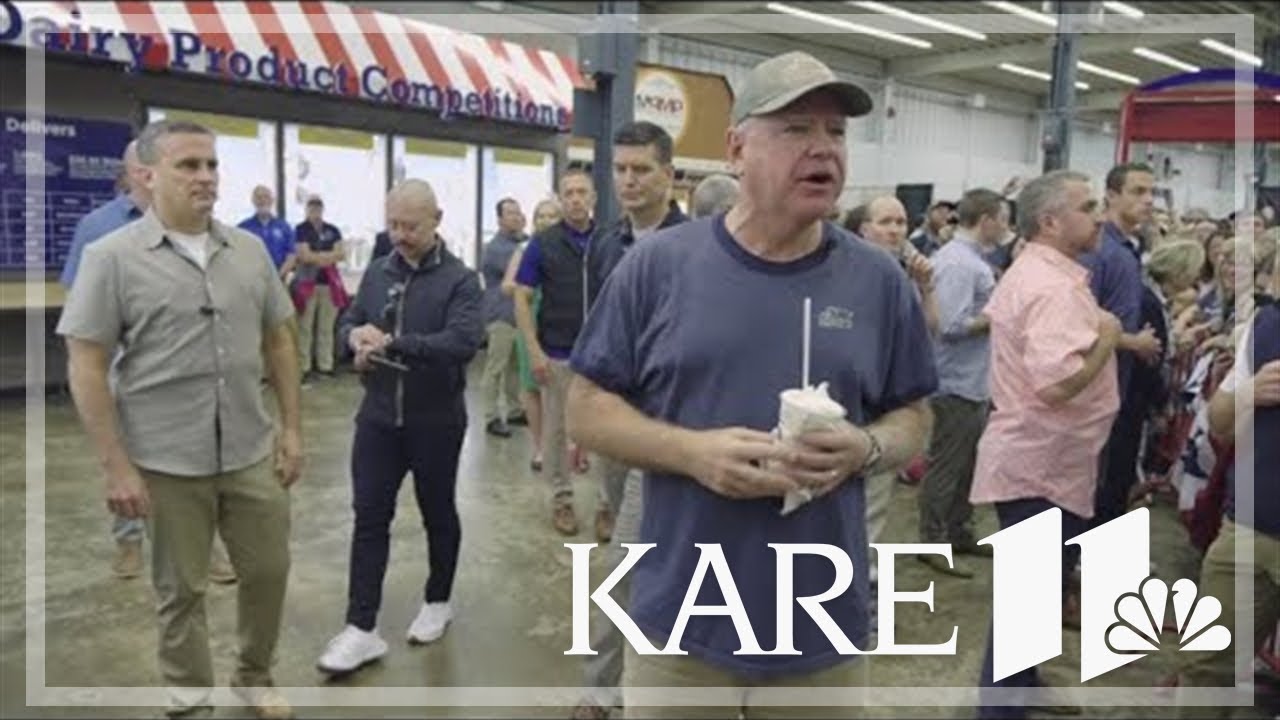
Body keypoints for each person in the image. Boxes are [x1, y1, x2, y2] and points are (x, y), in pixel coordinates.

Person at [566, 51, 937, 718]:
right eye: (797, 129)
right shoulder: (658, 268)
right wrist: (692, 453)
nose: (824, 148)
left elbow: (913, 413)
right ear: (737, 149)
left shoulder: (879, 282)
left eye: (836, 132)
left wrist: (868, 449)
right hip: (681, 621)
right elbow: (586, 411)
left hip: (821, 625)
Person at [57, 119, 301, 720]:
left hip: (249, 447)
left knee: (268, 572)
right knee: (181, 592)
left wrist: (291, 428)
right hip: (166, 460)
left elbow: (280, 341)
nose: (206, 178)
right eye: (188, 166)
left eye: (212, 165)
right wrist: (116, 468)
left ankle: (253, 674)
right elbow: (85, 366)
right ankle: (191, 696)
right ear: (147, 174)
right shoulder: (109, 258)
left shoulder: (247, 251)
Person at [970, 170, 1122, 719]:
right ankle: (1002, 710)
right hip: (1039, 463)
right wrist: (1108, 338)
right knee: (1025, 604)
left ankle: (1023, 691)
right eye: (1087, 206)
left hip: (1048, 462)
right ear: (1050, 221)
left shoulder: (1045, 275)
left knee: (1034, 596)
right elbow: (1057, 385)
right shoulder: (1050, 285)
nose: (1099, 215)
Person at [315, 179, 483, 675]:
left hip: (437, 420)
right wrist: (354, 339)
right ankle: (361, 627)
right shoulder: (377, 270)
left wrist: (395, 343)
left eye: (411, 226)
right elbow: (349, 320)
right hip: (379, 419)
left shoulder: (461, 280)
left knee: (437, 511)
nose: (401, 235)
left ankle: (438, 600)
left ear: (436, 220)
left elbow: (462, 342)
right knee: (369, 516)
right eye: (393, 224)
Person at [60, 139, 237, 585]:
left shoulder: (194, 225)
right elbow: (80, 306)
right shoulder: (97, 227)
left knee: (196, 456)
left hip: (180, 367)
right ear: (140, 174)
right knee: (124, 455)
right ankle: (128, 538)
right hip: (123, 365)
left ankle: (206, 543)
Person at [572, 120, 689, 719]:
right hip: (614, 420)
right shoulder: (606, 242)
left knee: (632, 556)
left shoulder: (698, 245)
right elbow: (595, 334)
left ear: (669, 174)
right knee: (631, 546)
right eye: (620, 170)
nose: (628, 181)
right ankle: (620, 678)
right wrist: (582, 418)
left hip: (668, 424)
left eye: (641, 169)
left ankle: (607, 687)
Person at [1175, 254, 1279, 720]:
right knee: (1206, 668)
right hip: (1250, 532)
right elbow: (1218, 420)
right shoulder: (1265, 328)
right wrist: (1248, 392)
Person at [915, 188, 1007, 579]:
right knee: (947, 466)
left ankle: (958, 530)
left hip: (971, 380)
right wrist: (998, 313)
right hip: (955, 382)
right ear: (986, 219)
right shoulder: (959, 265)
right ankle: (932, 541)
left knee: (967, 464)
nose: (1006, 227)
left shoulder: (969, 261)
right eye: (1003, 218)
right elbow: (948, 325)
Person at [514, 168, 605, 536]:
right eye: (568, 193)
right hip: (558, 352)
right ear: (559, 197)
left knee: (609, 434)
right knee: (555, 432)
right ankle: (562, 501)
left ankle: (606, 505)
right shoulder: (543, 243)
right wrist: (533, 350)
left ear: (594, 197)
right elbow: (521, 296)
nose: (575, 199)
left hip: (604, 356)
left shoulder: (609, 240)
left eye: (582, 192)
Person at [1079, 164, 1164, 543]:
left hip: (1119, 386)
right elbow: (1076, 319)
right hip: (1098, 388)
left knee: (1113, 482)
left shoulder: (1126, 250)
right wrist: (1134, 342)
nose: (1147, 200)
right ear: (1111, 195)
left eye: (1151, 193)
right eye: (1137, 191)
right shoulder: (1102, 252)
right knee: (1100, 485)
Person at [504, 198, 562, 474]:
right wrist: (525, 284)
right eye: (541, 215)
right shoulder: (525, 249)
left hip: (559, 325)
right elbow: (507, 285)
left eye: (552, 216)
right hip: (529, 323)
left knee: (558, 391)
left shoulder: (567, 249)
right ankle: (540, 447)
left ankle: (561, 448)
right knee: (531, 389)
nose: (545, 221)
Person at [480, 198, 529, 438]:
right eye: (510, 213)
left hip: (517, 316)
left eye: (518, 212)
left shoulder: (520, 243)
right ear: (499, 219)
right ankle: (490, 417)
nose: (516, 217)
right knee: (496, 367)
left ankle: (514, 410)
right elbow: (523, 270)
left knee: (514, 367)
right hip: (500, 315)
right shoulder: (498, 248)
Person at [293, 195, 348, 379]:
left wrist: (317, 256)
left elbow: (341, 254)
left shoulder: (333, 230)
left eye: (318, 207)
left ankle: (325, 366)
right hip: (307, 284)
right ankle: (304, 367)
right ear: (306, 209)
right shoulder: (301, 229)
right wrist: (327, 256)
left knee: (326, 327)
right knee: (305, 327)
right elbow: (304, 256)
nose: (315, 210)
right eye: (311, 207)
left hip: (330, 284)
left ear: (322, 209)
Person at [238, 185, 296, 282]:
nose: (263, 200)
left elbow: (291, 256)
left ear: (272, 200)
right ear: (253, 201)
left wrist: (278, 276)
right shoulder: (243, 227)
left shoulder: (284, 226)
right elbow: (238, 256)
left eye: (266, 197)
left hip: (279, 278)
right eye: (259, 197)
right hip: (252, 280)